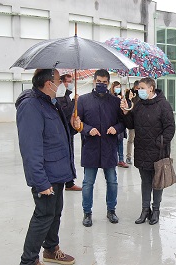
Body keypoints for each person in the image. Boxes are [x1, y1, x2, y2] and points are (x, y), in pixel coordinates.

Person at [15, 69, 76, 265]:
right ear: (49, 83)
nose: (61, 84)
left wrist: (73, 126)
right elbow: (30, 148)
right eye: (59, 80)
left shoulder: (51, 103)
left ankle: (51, 249)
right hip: (46, 175)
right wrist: (40, 181)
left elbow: (55, 136)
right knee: (43, 215)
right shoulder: (31, 106)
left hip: (57, 171)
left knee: (55, 212)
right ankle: (29, 260)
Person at [120, 77, 175, 225]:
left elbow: (170, 128)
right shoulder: (138, 104)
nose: (139, 90)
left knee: (157, 182)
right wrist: (126, 113)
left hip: (158, 151)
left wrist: (160, 143)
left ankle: (155, 210)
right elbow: (131, 124)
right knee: (145, 181)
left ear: (151, 88)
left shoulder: (163, 105)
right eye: (138, 88)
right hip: (142, 149)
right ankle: (145, 210)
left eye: (142, 88)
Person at [75, 69, 125, 227]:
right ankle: (87, 212)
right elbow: (78, 123)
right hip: (91, 147)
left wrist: (116, 128)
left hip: (109, 147)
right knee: (88, 183)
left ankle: (111, 210)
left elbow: (123, 122)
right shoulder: (83, 100)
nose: (102, 85)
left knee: (112, 181)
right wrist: (87, 129)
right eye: (99, 82)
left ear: (108, 83)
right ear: (94, 81)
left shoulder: (115, 101)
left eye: (104, 83)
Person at [56, 73, 82, 191]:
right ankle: (67, 181)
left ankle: (69, 181)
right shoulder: (59, 95)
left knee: (70, 154)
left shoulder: (66, 95)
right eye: (68, 81)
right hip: (63, 130)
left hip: (68, 130)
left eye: (71, 81)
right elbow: (64, 112)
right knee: (66, 155)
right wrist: (73, 102)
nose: (70, 84)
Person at [110, 81, 129, 168]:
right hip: (111, 123)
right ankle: (110, 159)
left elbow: (125, 110)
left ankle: (121, 160)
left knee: (120, 142)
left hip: (119, 123)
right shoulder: (110, 98)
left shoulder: (122, 98)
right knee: (111, 143)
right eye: (116, 87)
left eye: (119, 87)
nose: (118, 88)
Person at [125, 80, 140, 165]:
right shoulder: (129, 93)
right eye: (138, 88)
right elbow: (127, 107)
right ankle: (128, 157)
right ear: (135, 87)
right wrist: (129, 98)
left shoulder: (141, 95)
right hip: (132, 121)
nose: (139, 90)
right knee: (131, 140)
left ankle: (138, 155)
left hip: (140, 120)